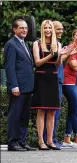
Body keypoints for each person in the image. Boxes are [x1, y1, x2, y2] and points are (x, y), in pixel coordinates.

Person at [4, 19, 36, 151]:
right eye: (21, 28)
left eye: (26, 28)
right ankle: (13, 143)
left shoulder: (25, 44)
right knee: (15, 116)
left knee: (24, 117)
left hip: (27, 87)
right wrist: (14, 86)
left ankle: (22, 142)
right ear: (14, 30)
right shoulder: (11, 44)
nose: (24, 30)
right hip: (18, 88)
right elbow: (9, 67)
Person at [31, 20, 63, 150]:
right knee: (41, 110)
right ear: (42, 29)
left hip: (53, 77)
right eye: (45, 28)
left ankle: (50, 140)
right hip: (41, 77)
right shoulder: (37, 44)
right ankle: (41, 141)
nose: (48, 30)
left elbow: (57, 64)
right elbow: (37, 62)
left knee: (52, 111)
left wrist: (62, 56)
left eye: (50, 28)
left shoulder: (58, 44)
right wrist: (50, 55)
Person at [43, 20, 65, 148]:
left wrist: (65, 54)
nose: (60, 31)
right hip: (50, 79)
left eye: (61, 29)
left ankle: (52, 138)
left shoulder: (58, 44)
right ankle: (46, 139)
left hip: (59, 79)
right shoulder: (43, 44)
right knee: (47, 111)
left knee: (55, 111)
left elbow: (59, 63)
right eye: (58, 29)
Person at [62, 28, 77, 148]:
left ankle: (66, 138)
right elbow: (74, 66)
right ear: (73, 36)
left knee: (72, 109)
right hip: (68, 82)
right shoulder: (71, 47)